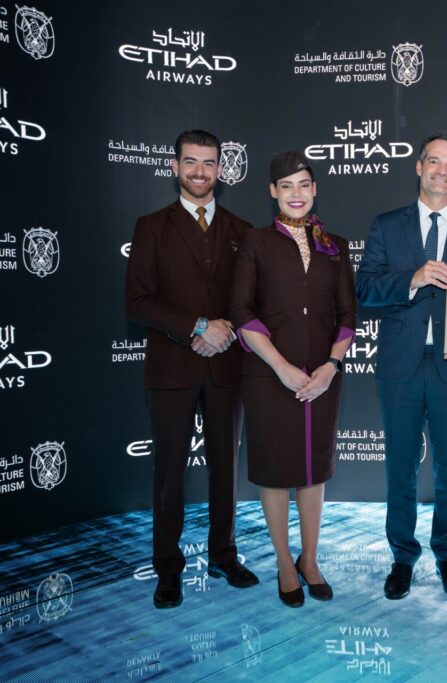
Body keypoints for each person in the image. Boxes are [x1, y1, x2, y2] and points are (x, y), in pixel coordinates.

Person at [356, 132, 447, 600]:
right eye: (433, 161)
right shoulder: (386, 225)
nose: (441, 171)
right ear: (419, 167)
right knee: (400, 467)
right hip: (401, 365)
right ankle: (402, 558)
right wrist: (410, 280)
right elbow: (365, 289)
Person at [125, 129, 258, 609]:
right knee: (170, 474)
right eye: (191, 162)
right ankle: (168, 569)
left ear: (221, 169)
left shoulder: (244, 231)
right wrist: (198, 326)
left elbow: (250, 304)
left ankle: (224, 555)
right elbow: (137, 302)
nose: (200, 171)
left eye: (209, 163)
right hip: (172, 366)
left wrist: (225, 330)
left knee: (226, 470)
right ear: (175, 167)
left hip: (227, 367)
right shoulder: (151, 227)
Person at [230, 151, 356, 607]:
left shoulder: (335, 245)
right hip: (268, 376)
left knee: (313, 470)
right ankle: (285, 562)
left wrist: (331, 366)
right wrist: (281, 367)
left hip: (322, 378)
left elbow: (347, 315)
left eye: (304, 184)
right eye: (287, 186)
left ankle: (311, 560)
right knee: (275, 470)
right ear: (272, 192)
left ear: (315, 189)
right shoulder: (255, 242)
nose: (296, 194)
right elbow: (241, 312)